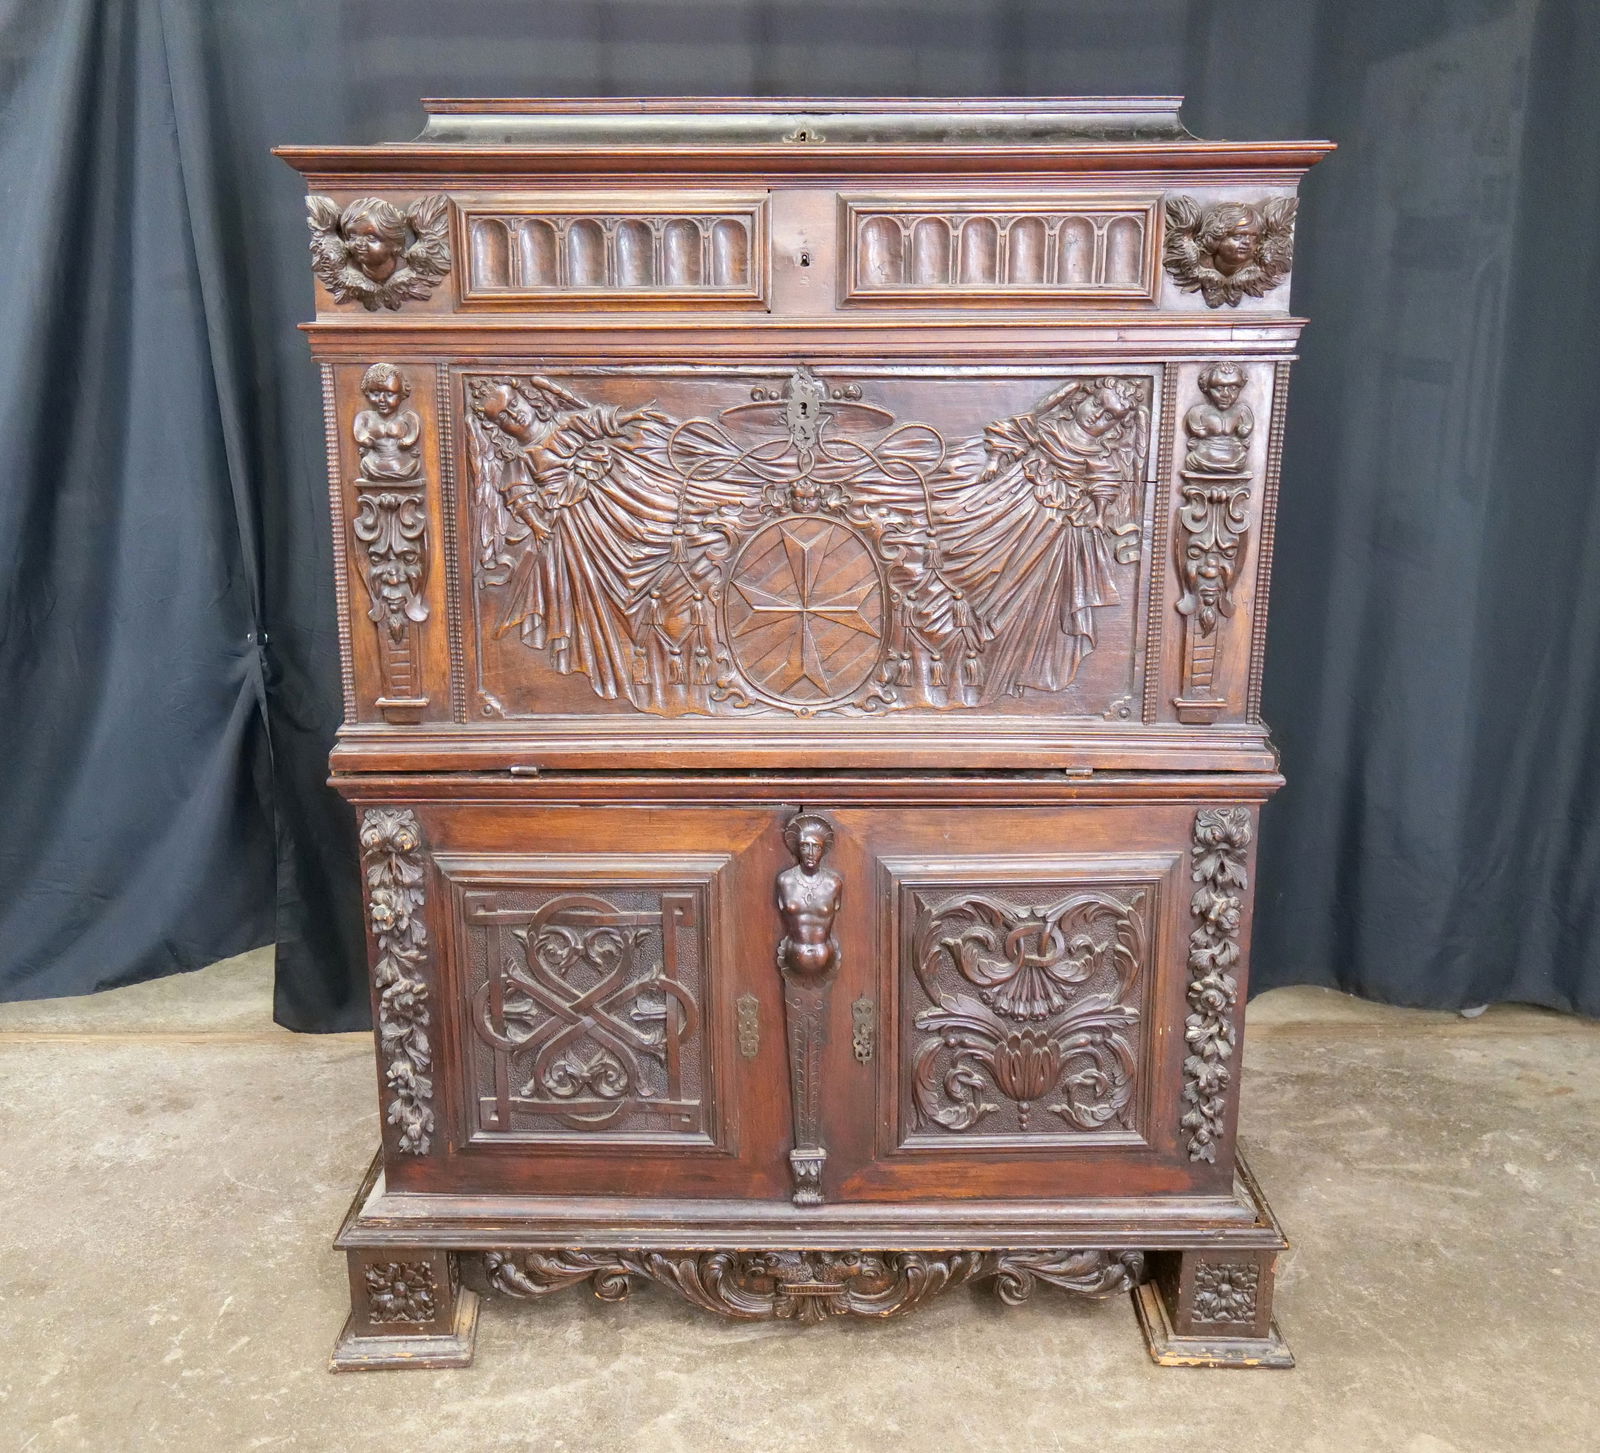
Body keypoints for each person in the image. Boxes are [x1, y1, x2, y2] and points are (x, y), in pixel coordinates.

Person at [775, 815, 842, 980]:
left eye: (816, 847)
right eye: (805, 846)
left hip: (826, 958)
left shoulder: (834, 883)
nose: (811, 853)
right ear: (798, 848)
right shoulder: (785, 881)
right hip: (792, 957)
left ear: (823, 850)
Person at [353, 364, 422, 481]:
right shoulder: (365, 417)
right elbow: (360, 435)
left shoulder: (407, 417)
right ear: (367, 392)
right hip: (372, 467)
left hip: (404, 467)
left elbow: (411, 436)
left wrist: (407, 442)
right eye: (375, 394)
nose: (381, 399)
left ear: (402, 394)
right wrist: (366, 441)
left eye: (390, 394)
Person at [1182, 362, 1253, 475]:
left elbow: (1244, 433)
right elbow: (1199, 434)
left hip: (1236, 463)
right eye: (1219, 388)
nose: (1226, 394)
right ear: (1206, 387)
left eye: (1233, 388)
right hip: (1203, 461)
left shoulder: (1242, 412)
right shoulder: (1198, 412)